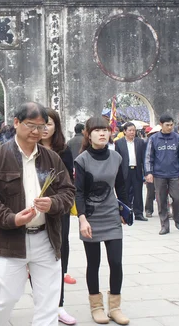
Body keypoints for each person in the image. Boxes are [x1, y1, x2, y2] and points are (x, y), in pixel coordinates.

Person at [0, 102, 75, 326]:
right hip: (10, 240)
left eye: (41, 127)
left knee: (48, 300)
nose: (36, 132)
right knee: (6, 297)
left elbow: (68, 191)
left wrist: (52, 203)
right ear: (16, 123)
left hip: (46, 238)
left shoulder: (51, 158)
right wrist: (11, 218)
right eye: (31, 125)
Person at [75, 116, 130, 325]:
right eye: (97, 130)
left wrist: (125, 210)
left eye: (105, 130)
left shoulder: (116, 157)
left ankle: (115, 307)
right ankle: (96, 307)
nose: (102, 133)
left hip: (111, 216)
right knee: (94, 263)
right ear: (88, 135)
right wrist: (82, 219)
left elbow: (122, 186)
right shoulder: (82, 160)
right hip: (90, 218)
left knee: (116, 262)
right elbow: (78, 193)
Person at [40, 108, 76, 325]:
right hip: (33, 210)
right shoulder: (28, 149)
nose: (44, 128)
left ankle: (59, 305)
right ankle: (43, 305)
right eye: (40, 124)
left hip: (58, 210)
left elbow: (67, 185)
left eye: (49, 124)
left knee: (59, 253)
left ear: (56, 126)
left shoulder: (64, 150)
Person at [144, 114, 179, 235]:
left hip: (174, 174)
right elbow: (148, 157)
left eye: (171, 125)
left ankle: (176, 217)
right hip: (159, 175)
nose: (170, 127)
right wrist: (148, 172)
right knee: (161, 201)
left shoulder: (177, 138)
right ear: (161, 125)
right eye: (167, 125)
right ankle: (164, 225)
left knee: (178, 197)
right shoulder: (154, 139)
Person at [115, 122, 148, 221]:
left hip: (137, 170)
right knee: (124, 193)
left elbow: (144, 158)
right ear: (124, 131)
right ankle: (125, 213)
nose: (132, 132)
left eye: (134, 130)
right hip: (124, 171)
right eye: (129, 130)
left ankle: (139, 213)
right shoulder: (119, 143)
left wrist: (146, 172)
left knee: (138, 192)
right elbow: (117, 158)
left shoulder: (140, 142)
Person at [144, 125, 161, 218]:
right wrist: (146, 173)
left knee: (163, 192)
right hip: (151, 170)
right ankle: (148, 209)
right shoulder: (148, 143)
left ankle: (164, 210)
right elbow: (146, 159)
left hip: (162, 171)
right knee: (151, 191)